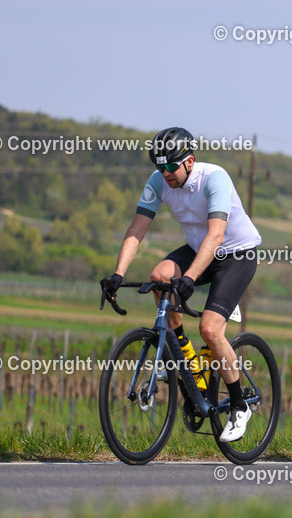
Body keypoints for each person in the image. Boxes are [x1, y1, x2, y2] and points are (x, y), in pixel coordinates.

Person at [100, 127, 262, 442]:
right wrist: (118, 273)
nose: (165, 173)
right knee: (159, 276)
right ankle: (185, 356)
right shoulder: (159, 181)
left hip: (235, 254)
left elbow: (216, 236)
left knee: (211, 330)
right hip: (198, 249)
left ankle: (239, 406)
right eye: (160, 167)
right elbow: (137, 229)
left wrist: (189, 279)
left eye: (171, 166)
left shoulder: (214, 178)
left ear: (190, 160)